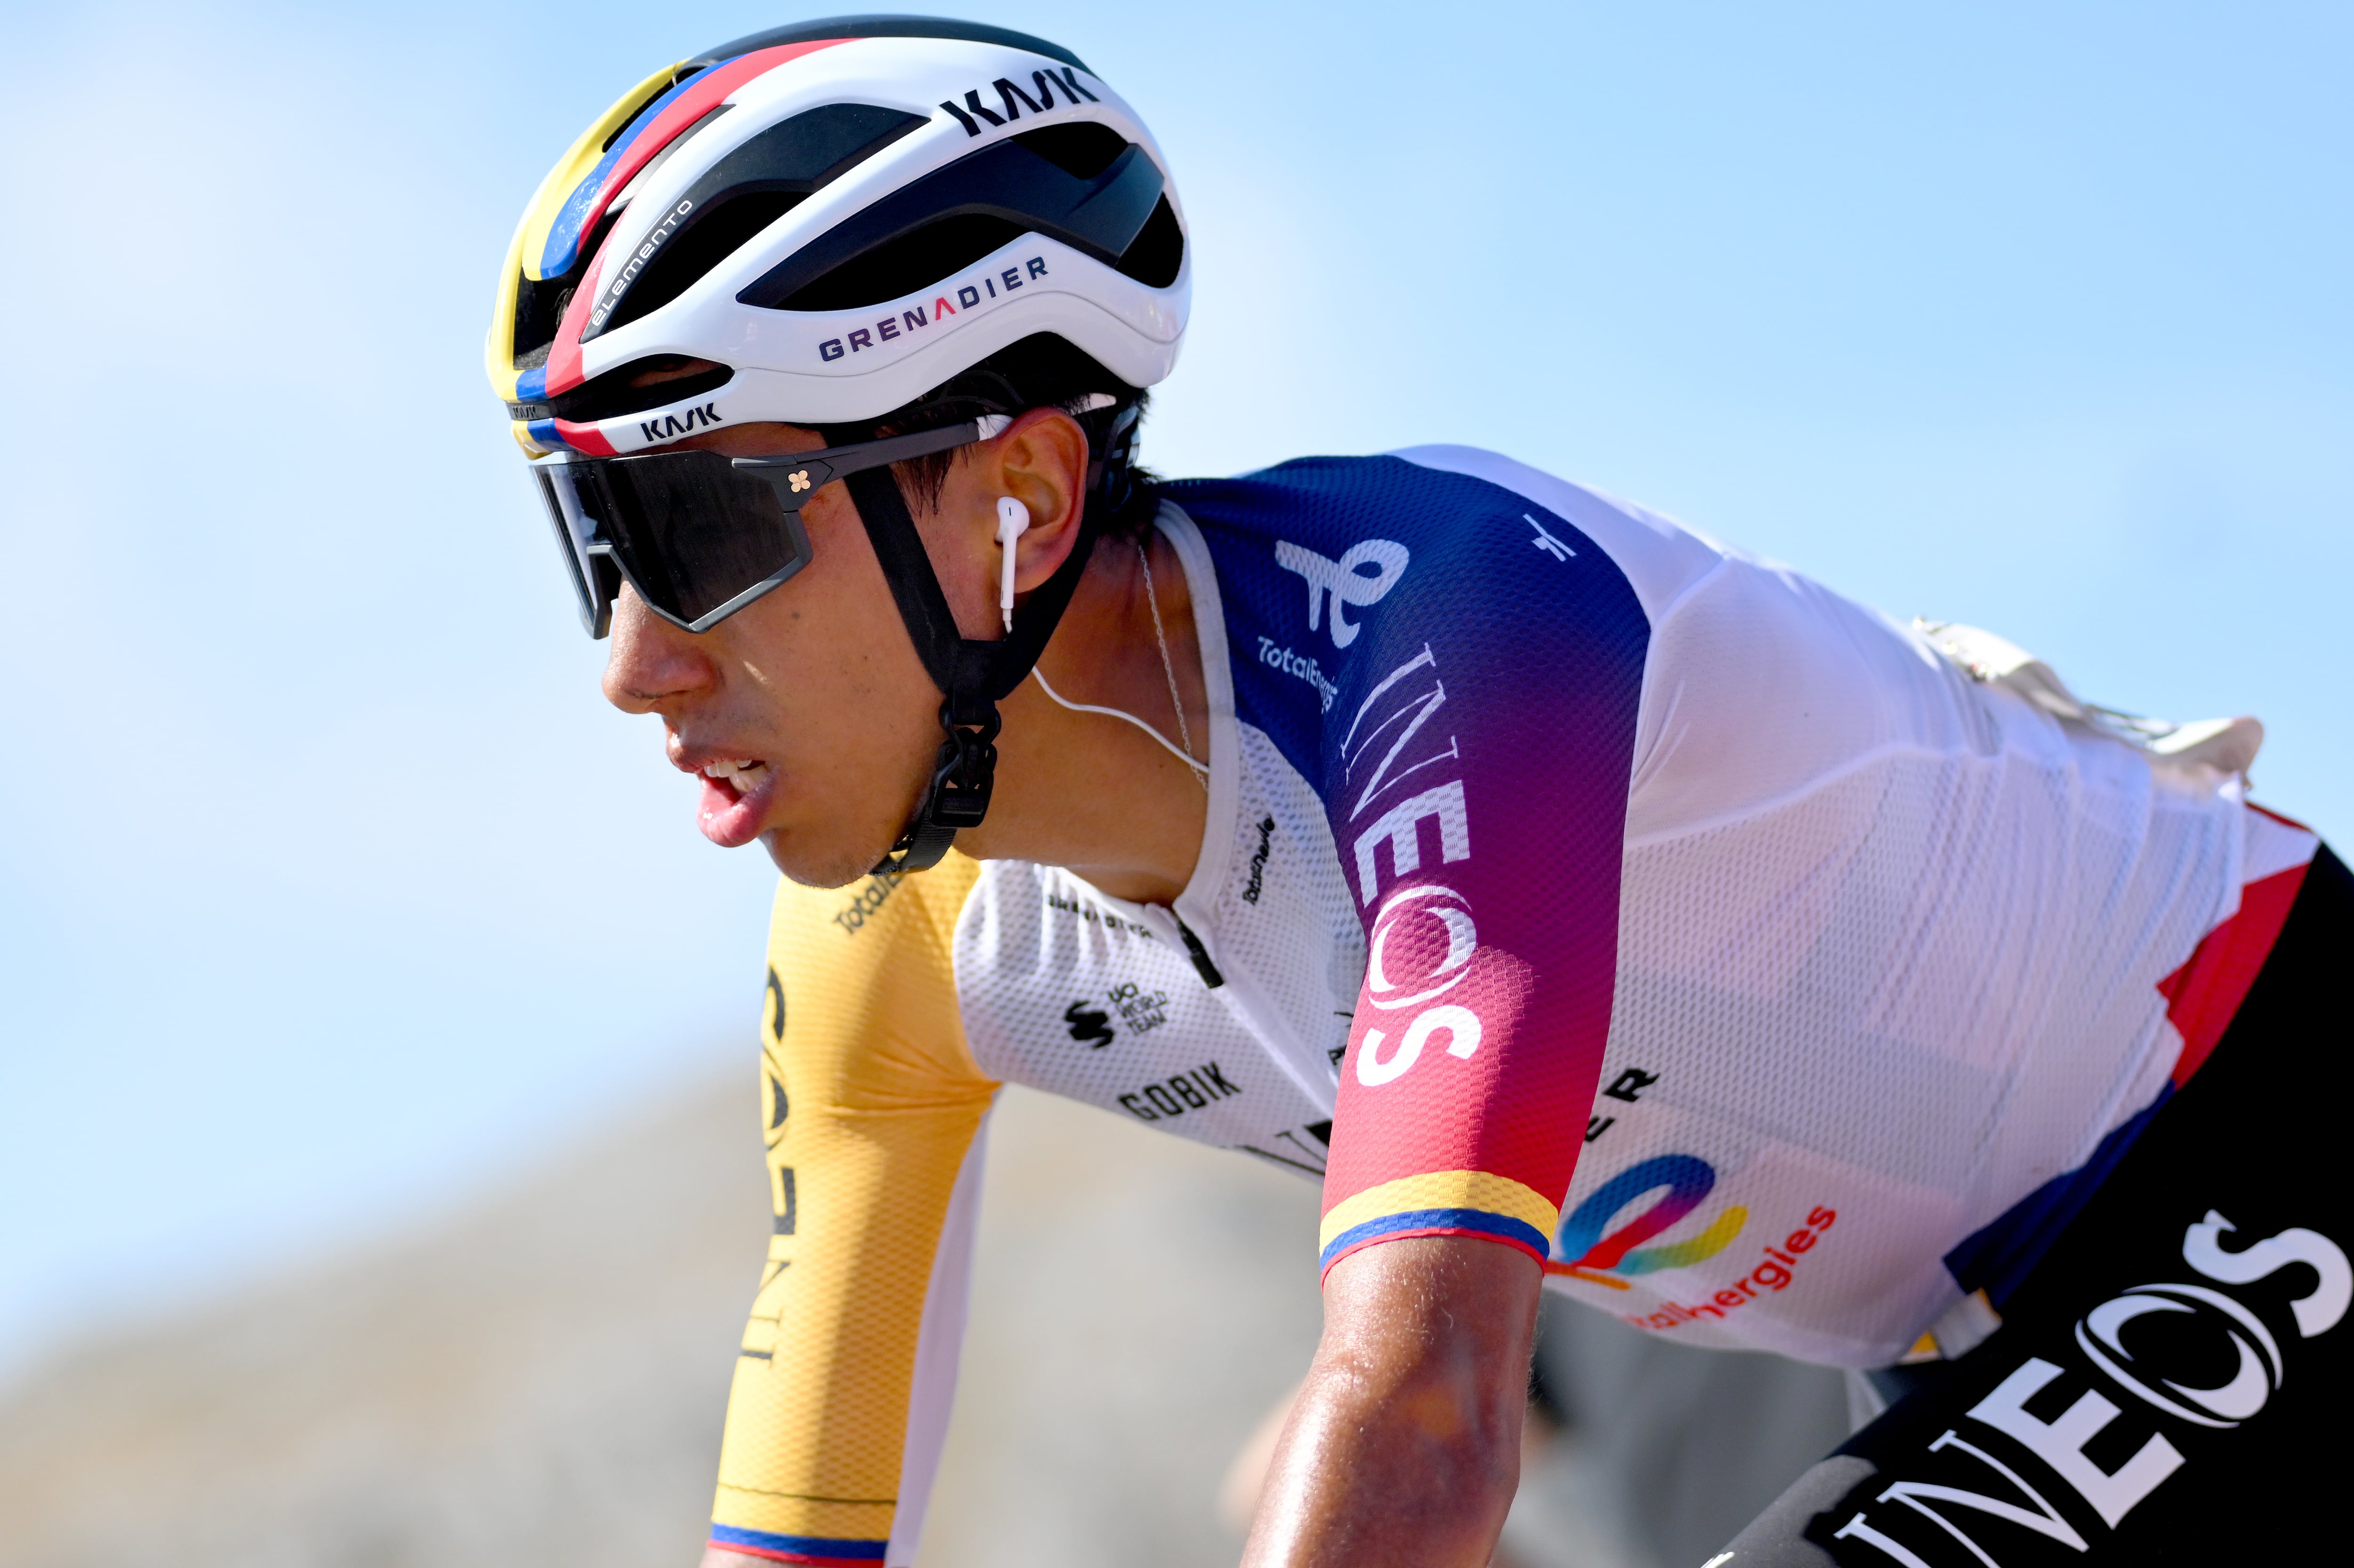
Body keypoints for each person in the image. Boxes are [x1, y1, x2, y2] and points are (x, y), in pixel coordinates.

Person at [486, 18, 2348, 1567]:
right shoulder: (880, 945)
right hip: (1925, 1337)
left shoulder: (1441, 638)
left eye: (701, 528)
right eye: (595, 546)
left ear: (1022, 499)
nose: (631, 656)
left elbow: (1429, 1419)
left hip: (2250, 1131)